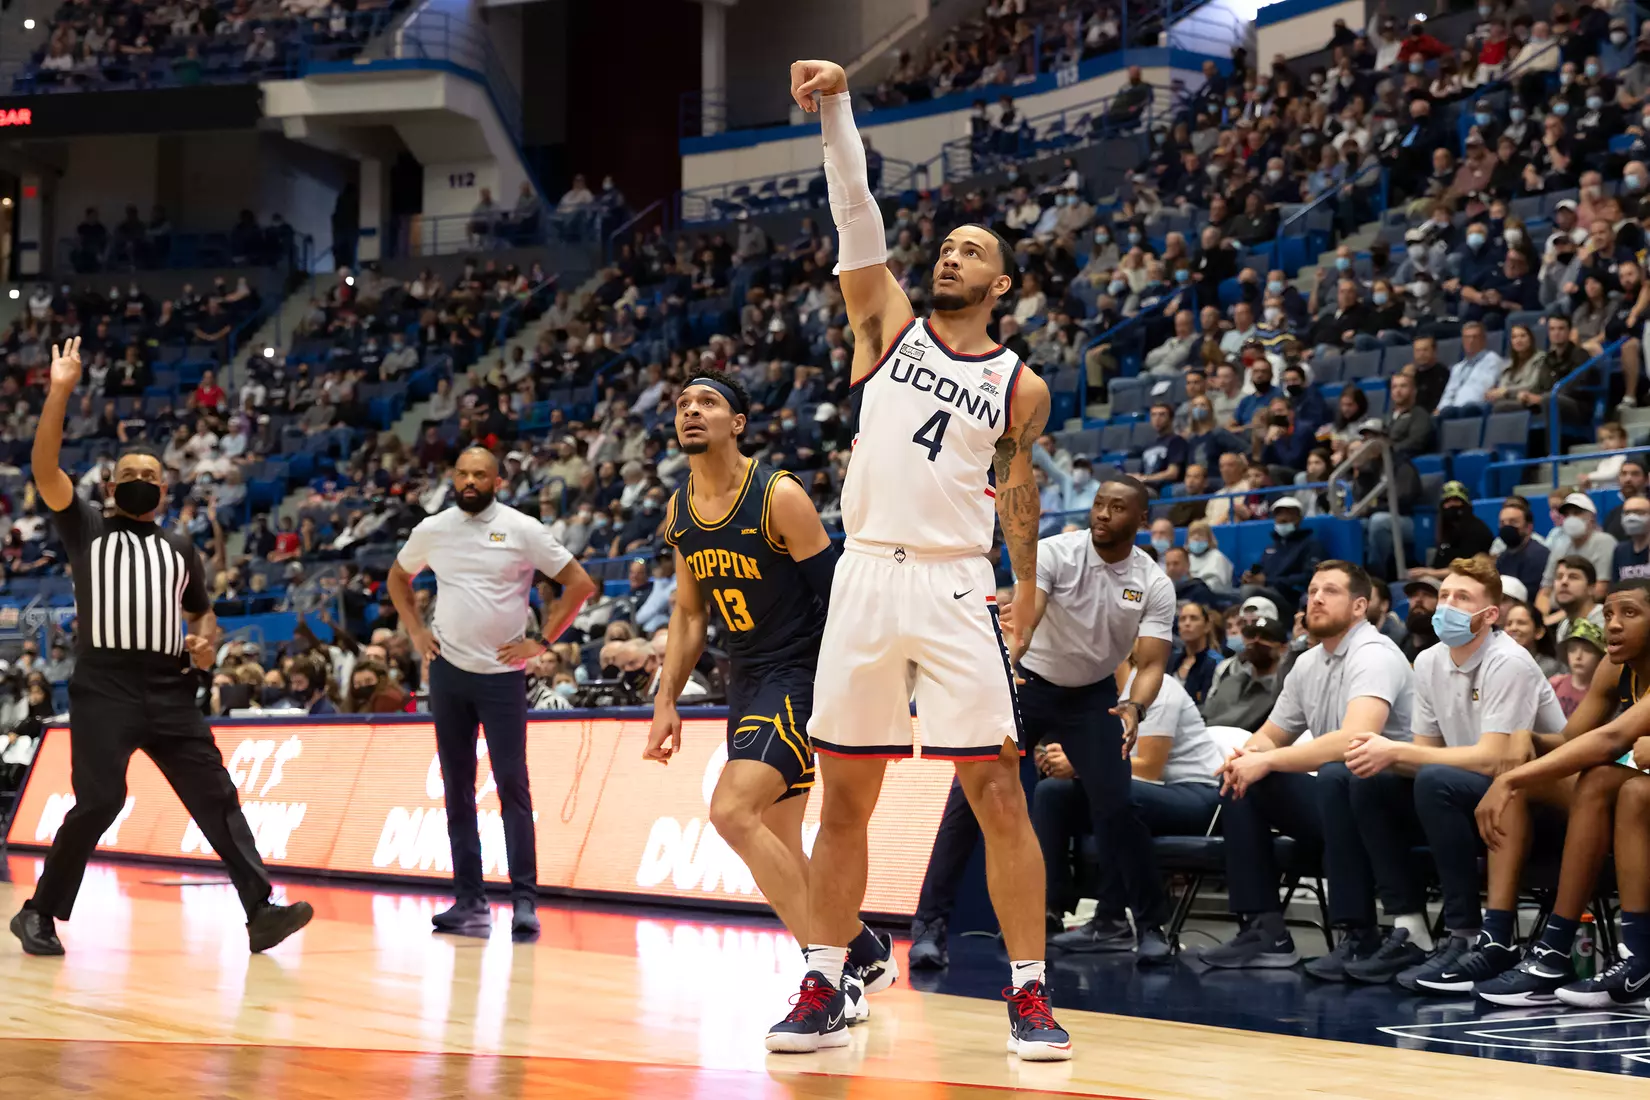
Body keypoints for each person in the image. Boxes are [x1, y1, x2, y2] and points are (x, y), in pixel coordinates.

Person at [774, 59, 1069, 1060]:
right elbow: (856, 210)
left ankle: (1028, 993)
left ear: (1004, 284)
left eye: (971, 250)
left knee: (996, 787)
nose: (950, 257)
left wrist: (1023, 584)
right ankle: (825, 975)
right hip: (864, 573)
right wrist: (840, 106)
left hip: (953, 580)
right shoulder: (888, 331)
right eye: (945, 245)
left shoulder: (1022, 386)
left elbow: (1017, 490)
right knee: (844, 793)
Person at [9, 337, 312, 958]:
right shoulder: (85, 524)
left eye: (152, 475)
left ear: (166, 490)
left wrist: (204, 643)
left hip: (171, 685)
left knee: (215, 795)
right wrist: (61, 388)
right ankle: (39, 911)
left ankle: (260, 911)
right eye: (131, 475)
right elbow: (45, 470)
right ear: (112, 486)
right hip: (106, 684)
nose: (142, 481)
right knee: (102, 800)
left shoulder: (180, 549)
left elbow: (204, 616)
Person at [644, 370, 895, 1023]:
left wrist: (863, 676)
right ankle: (860, 946)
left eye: (708, 402)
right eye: (682, 402)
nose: (691, 410)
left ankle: (830, 981)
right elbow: (691, 615)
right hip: (744, 679)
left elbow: (836, 590)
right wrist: (666, 698)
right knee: (779, 838)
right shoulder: (679, 511)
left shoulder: (777, 495)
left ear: (738, 423)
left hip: (800, 673)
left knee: (731, 812)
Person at [387, 446, 597, 939]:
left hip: (503, 676)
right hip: (448, 671)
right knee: (457, 789)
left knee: (512, 786)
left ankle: (524, 900)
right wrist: (416, 632)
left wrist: (543, 640)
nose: (469, 481)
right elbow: (399, 577)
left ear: (497, 481)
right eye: (462, 473)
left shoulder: (521, 528)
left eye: (480, 474)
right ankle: (469, 900)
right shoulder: (433, 528)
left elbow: (580, 583)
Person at [1336, 557, 1566, 990]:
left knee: (1433, 780)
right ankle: (1410, 927)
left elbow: (1497, 759)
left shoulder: (1508, 661)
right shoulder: (1427, 662)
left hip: (1536, 805)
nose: (1447, 605)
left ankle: (1464, 935)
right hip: (1471, 794)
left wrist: (1394, 749)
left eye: (1462, 598)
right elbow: (1426, 753)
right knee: (1366, 777)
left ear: (1490, 614)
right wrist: (1382, 755)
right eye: (1444, 595)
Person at [1202, 562, 1416, 973]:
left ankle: (1360, 935)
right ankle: (1265, 929)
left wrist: (1266, 759)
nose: (1315, 598)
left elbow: (1355, 740)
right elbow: (1271, 734)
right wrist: (1247, 756)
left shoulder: (1374, 655)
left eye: (1330, 591)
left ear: (1359, 606)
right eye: (1313, 589)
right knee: (1241, 779)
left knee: (1338, 773)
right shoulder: (1308, 663)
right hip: (1339, 798)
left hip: (1392, 803)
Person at [1002, 477, 1176, 961]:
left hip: (1093, 697)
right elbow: (1027, 617)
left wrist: (1134, 705)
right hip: (1030, 683)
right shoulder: (1058, 552)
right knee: (974, 792)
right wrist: (1010, 661)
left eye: (1117, 508)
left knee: (1118, 807)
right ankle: (934, 920)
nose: (1102, 514)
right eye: (1099, 504)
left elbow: (1153, 662)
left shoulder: (1153, 583)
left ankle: (1151, 926)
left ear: (1141, 520)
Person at [1474, 580, 1650, 1008]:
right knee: (1596, 781)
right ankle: (1544, 950)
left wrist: (1509, 779)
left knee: (1632, 791)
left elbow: (1610, 740)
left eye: (1629, 613)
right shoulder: (1614, 668)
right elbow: (1574, 738)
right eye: (1608, 614)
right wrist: (1528, 738)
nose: (1613, 625)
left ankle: (1639, 955)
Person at [1037, 650, 1222, 954]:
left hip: (1196, 795)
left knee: (1115, 794)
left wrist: (1082, 764)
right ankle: (1050, 908)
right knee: (1052, 794)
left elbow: (1150, 766)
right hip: (1140, 792)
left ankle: (1113, 920)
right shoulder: (1095, 699)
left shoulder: (1154, 688)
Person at [1551, 618, 1608, 716]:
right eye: (1572, 649)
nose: (1578, 656)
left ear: (1600, 656)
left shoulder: (1604, 693)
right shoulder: (1555, 684)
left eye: (1587, 650)